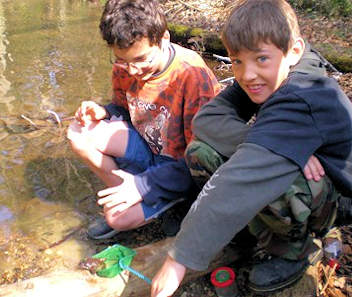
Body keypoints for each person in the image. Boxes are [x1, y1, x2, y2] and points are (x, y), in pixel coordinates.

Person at [151, 0, 352, 296]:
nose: (246, 75)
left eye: (260, 59)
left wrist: (179, 259)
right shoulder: (270, 72)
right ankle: (250, 232)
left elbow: (238, 182)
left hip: (339, 197)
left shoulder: (303, 94)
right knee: (202, 152)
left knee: (271, 176)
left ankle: (295, 250)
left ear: (293, 51)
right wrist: (269, 141)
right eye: (237, 61)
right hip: (311, 180)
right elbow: (207, 120)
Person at [67, 0, 221, 239]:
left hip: (181, 167)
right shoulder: (126, 65)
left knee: (115, 217)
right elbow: (125, 109)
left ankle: (174, 200)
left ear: (164, 39)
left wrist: (146, 185)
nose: (132, 70)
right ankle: (124, 191)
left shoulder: (192, 76)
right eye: (122, 60)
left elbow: (201, 159)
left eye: (141, 60)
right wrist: (105, 112)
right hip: (148, 148)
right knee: (79, 132)